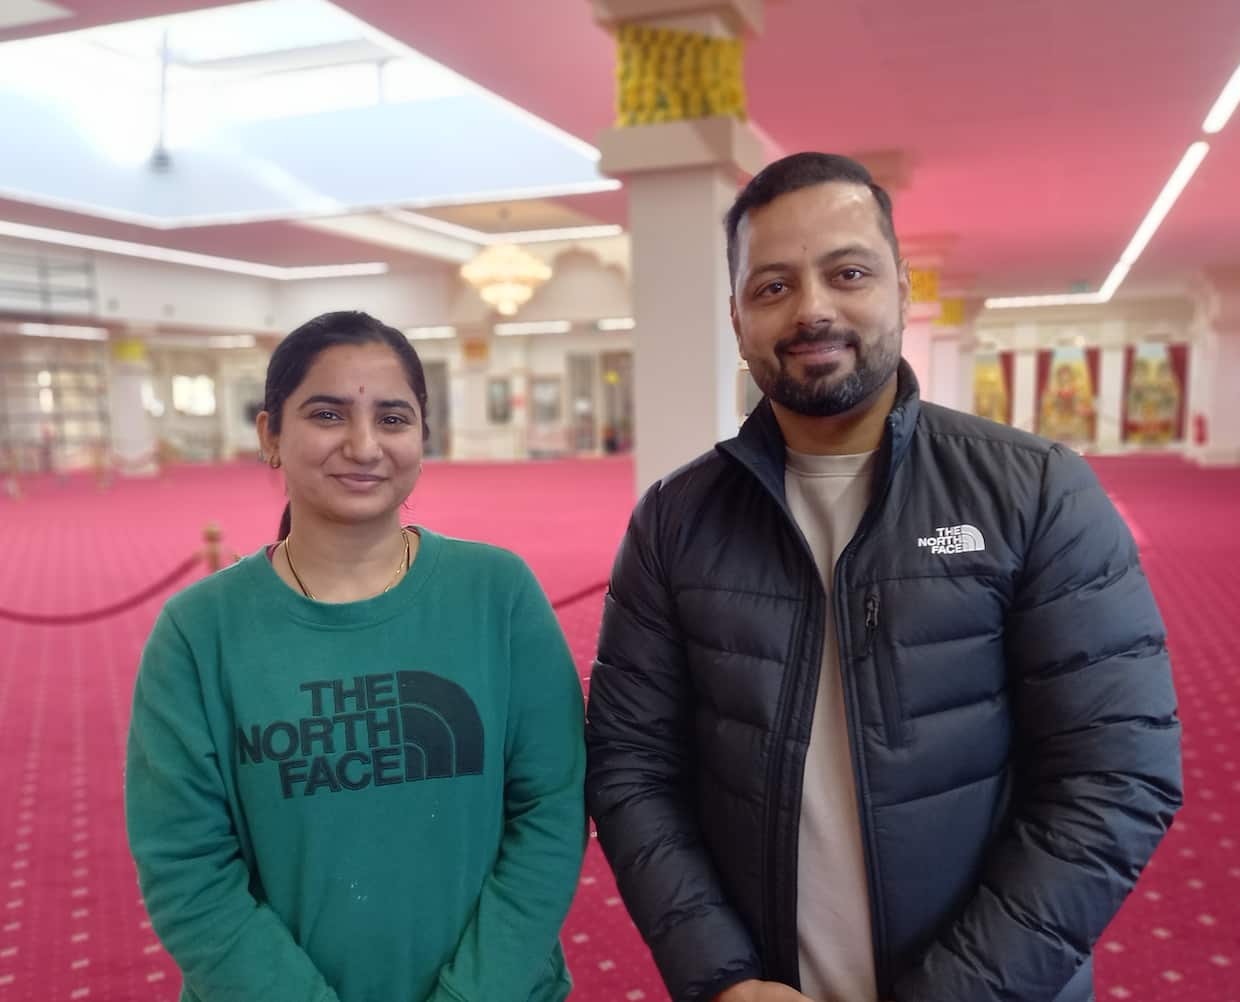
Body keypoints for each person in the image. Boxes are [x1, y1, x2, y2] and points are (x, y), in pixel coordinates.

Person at [585, 154, 1182, 1002]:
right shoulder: (675, 520)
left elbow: (1118, 775)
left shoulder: (1036, 490)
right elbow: (630, 763)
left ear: (902, 289)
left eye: (848, 273)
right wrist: (718, 976)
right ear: (737, 316)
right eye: (773, 287)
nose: (812, 309)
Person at [125, 310, 586, 1002]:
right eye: (328, 415)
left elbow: (551, 810)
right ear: (270, 435)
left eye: (394, 419)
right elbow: (185, 868)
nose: (365, 445)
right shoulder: (199, 631)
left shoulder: (498, 593)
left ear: (423, 436)